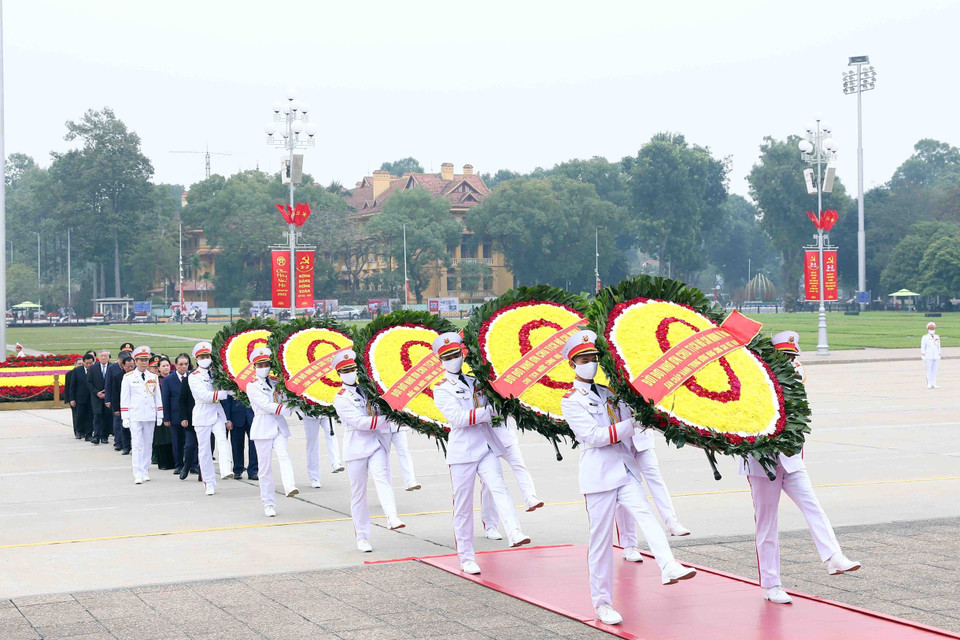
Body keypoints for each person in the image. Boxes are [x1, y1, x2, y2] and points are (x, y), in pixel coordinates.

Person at [560, 330, 695, 626]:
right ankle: (603, 603)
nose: (591, 363)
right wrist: (630, 426)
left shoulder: (609, 393)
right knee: (600, 542)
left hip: (624, 468)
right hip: (598, 477)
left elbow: (630, 417)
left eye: (594, 358)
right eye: (584, 359)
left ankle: (668, 564)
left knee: (646, 515)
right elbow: (592, 436)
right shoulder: (570, 400)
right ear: (572, 363)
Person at [742, 330, 860, 605]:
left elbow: (796, 387)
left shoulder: (794, 376)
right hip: (763, 463)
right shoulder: (755, 381)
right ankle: (771, 585)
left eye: (793, 355)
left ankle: (833, 557)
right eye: (784, 355)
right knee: (767, 524)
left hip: (792, 458)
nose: (790, 360)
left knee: (812, 505)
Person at [432, 332, 531, 575]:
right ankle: (466, 557)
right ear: (441, 360)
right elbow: (457, 418)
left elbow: (496, 401)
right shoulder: (442, 389)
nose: (454, 359)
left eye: (456, 354)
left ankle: (514, 531)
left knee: (499, 487)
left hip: (486, 446)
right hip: (462, 452)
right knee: (463, 507)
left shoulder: (478, 381)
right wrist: (489, 412)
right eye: (448, 356)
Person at [331, 350, 405, 552]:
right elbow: (361, 422)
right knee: (358, 493)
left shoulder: (369, 390)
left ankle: (392, 516)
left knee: (382, 477)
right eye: (345, 370)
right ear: (339, 374)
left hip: (376, 443)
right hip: (356, 446)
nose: (350, 373)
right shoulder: (340, 398)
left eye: (352, 369)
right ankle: (362, 537)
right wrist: (389, 419)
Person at [613, 426, 692, 561]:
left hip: (642, 439)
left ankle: (671, 521)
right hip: (619, 442)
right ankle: (629, 545)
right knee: (623, 489)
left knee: (655, 477)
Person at [246, 347, 298, 516]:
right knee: (265, 468)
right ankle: (268, 503)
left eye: (266, 364)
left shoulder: (276, 383)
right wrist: (287, 409)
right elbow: (266, 405)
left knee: (284, 455)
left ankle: (290, 486)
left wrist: (298, 403)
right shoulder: (252, 386)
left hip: (278, 426)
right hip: (262, 426)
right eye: (260, 365)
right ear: (254, 367)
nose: (264, 368)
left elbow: (287, 399)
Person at [188, 341, 234, 495]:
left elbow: (225, 388)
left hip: (216, 412)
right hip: (202, 413)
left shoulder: (216, 373)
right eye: (202, 356)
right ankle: (208, 482)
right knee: (205, 450)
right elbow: (204, 395)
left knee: (222, 440)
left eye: (207, 355)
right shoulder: (193, 377)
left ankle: (226, 469)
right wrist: (223, 394)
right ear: (196, 359)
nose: (205, 358)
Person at [120, 346, 164, 484]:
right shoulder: (128, 377)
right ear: (135, 361)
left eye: (146, 360)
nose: (144, 363)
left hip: (150, 414)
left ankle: (145, 470)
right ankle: (137, 472)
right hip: (135, 414)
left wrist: (160, 414)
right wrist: (125, 417)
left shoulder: (153, 377)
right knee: (137, 444)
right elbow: (125, 398)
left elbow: (157, 397)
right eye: (141, 360)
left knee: (148, 444)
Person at [223, 390, 259, 480]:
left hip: (252, 416)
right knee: (237, 445)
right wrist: (228, 419)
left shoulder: (253, 379)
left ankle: (253, 471)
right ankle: (238, 469)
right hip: (236, 416)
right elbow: (227, 401)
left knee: (254, 445)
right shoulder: (232, 377)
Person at [177, 358, 202, 481]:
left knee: (206, 447)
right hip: (191, 418)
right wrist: (183, 417)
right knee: (190, 445)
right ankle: (186, 466)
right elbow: (181, 400)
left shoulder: (212, 379)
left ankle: (203, 471)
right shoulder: (189, 379)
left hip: (208, 418)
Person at [105, 344, 134, 451]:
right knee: (122, 427)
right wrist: (116, 408)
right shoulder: (118, 377)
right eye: (129, 367)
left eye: (133, 366)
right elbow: (115, 393)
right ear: (123, 366)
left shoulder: (137, 375)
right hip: (122, 405)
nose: (131, 368)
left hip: (135, 406)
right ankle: (124, 446)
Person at [303, 415, 344, 488]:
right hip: (310, 414)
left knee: (331, 434)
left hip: (326, 411)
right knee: (312, 444)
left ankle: (336, 462)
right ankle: (314, 478)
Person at [151, 355, 176, 470]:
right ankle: (163, 462)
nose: (166, 368)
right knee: (162, 437)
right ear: (159, 368)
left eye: (167, 365)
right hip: (160, 412)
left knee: (173, 437)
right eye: (163, 366)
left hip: (174, 411)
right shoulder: (156, 381)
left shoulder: (174, 378)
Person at [69, 353, 95, 440]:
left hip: (92, 398)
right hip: (80, 398)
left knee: (90, 416)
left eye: (90, 363)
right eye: (87, 363)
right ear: (83, 362)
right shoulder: (77, 371)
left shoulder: (95, 370)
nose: (88, 365)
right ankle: (79, 431)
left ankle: (88, 434)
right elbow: (73, 386)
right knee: (80, 415)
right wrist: (72, 399)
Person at [64, 358, 82, 438]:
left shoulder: (86, 372)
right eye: (79, 364)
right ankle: (77, 431)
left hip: (83, 398)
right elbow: (68, 387)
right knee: (76, 416)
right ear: (75, 364)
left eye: (82, 364)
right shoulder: (70, 374)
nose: (80, 365)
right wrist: (69, 399)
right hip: (74, 398)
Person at [921, 322, 941, 389]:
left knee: (934, 370)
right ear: (928, 329)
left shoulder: (937, 336)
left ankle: (934, 383)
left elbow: (939, 346)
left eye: (933, 328)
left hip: (936, 356)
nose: (932, 330)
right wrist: (923, 355)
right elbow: (923, 347)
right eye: (931, 328)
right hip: (928, 356)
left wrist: (939, 354)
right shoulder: (925, 337)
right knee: (929, 370)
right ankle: (929, 383)